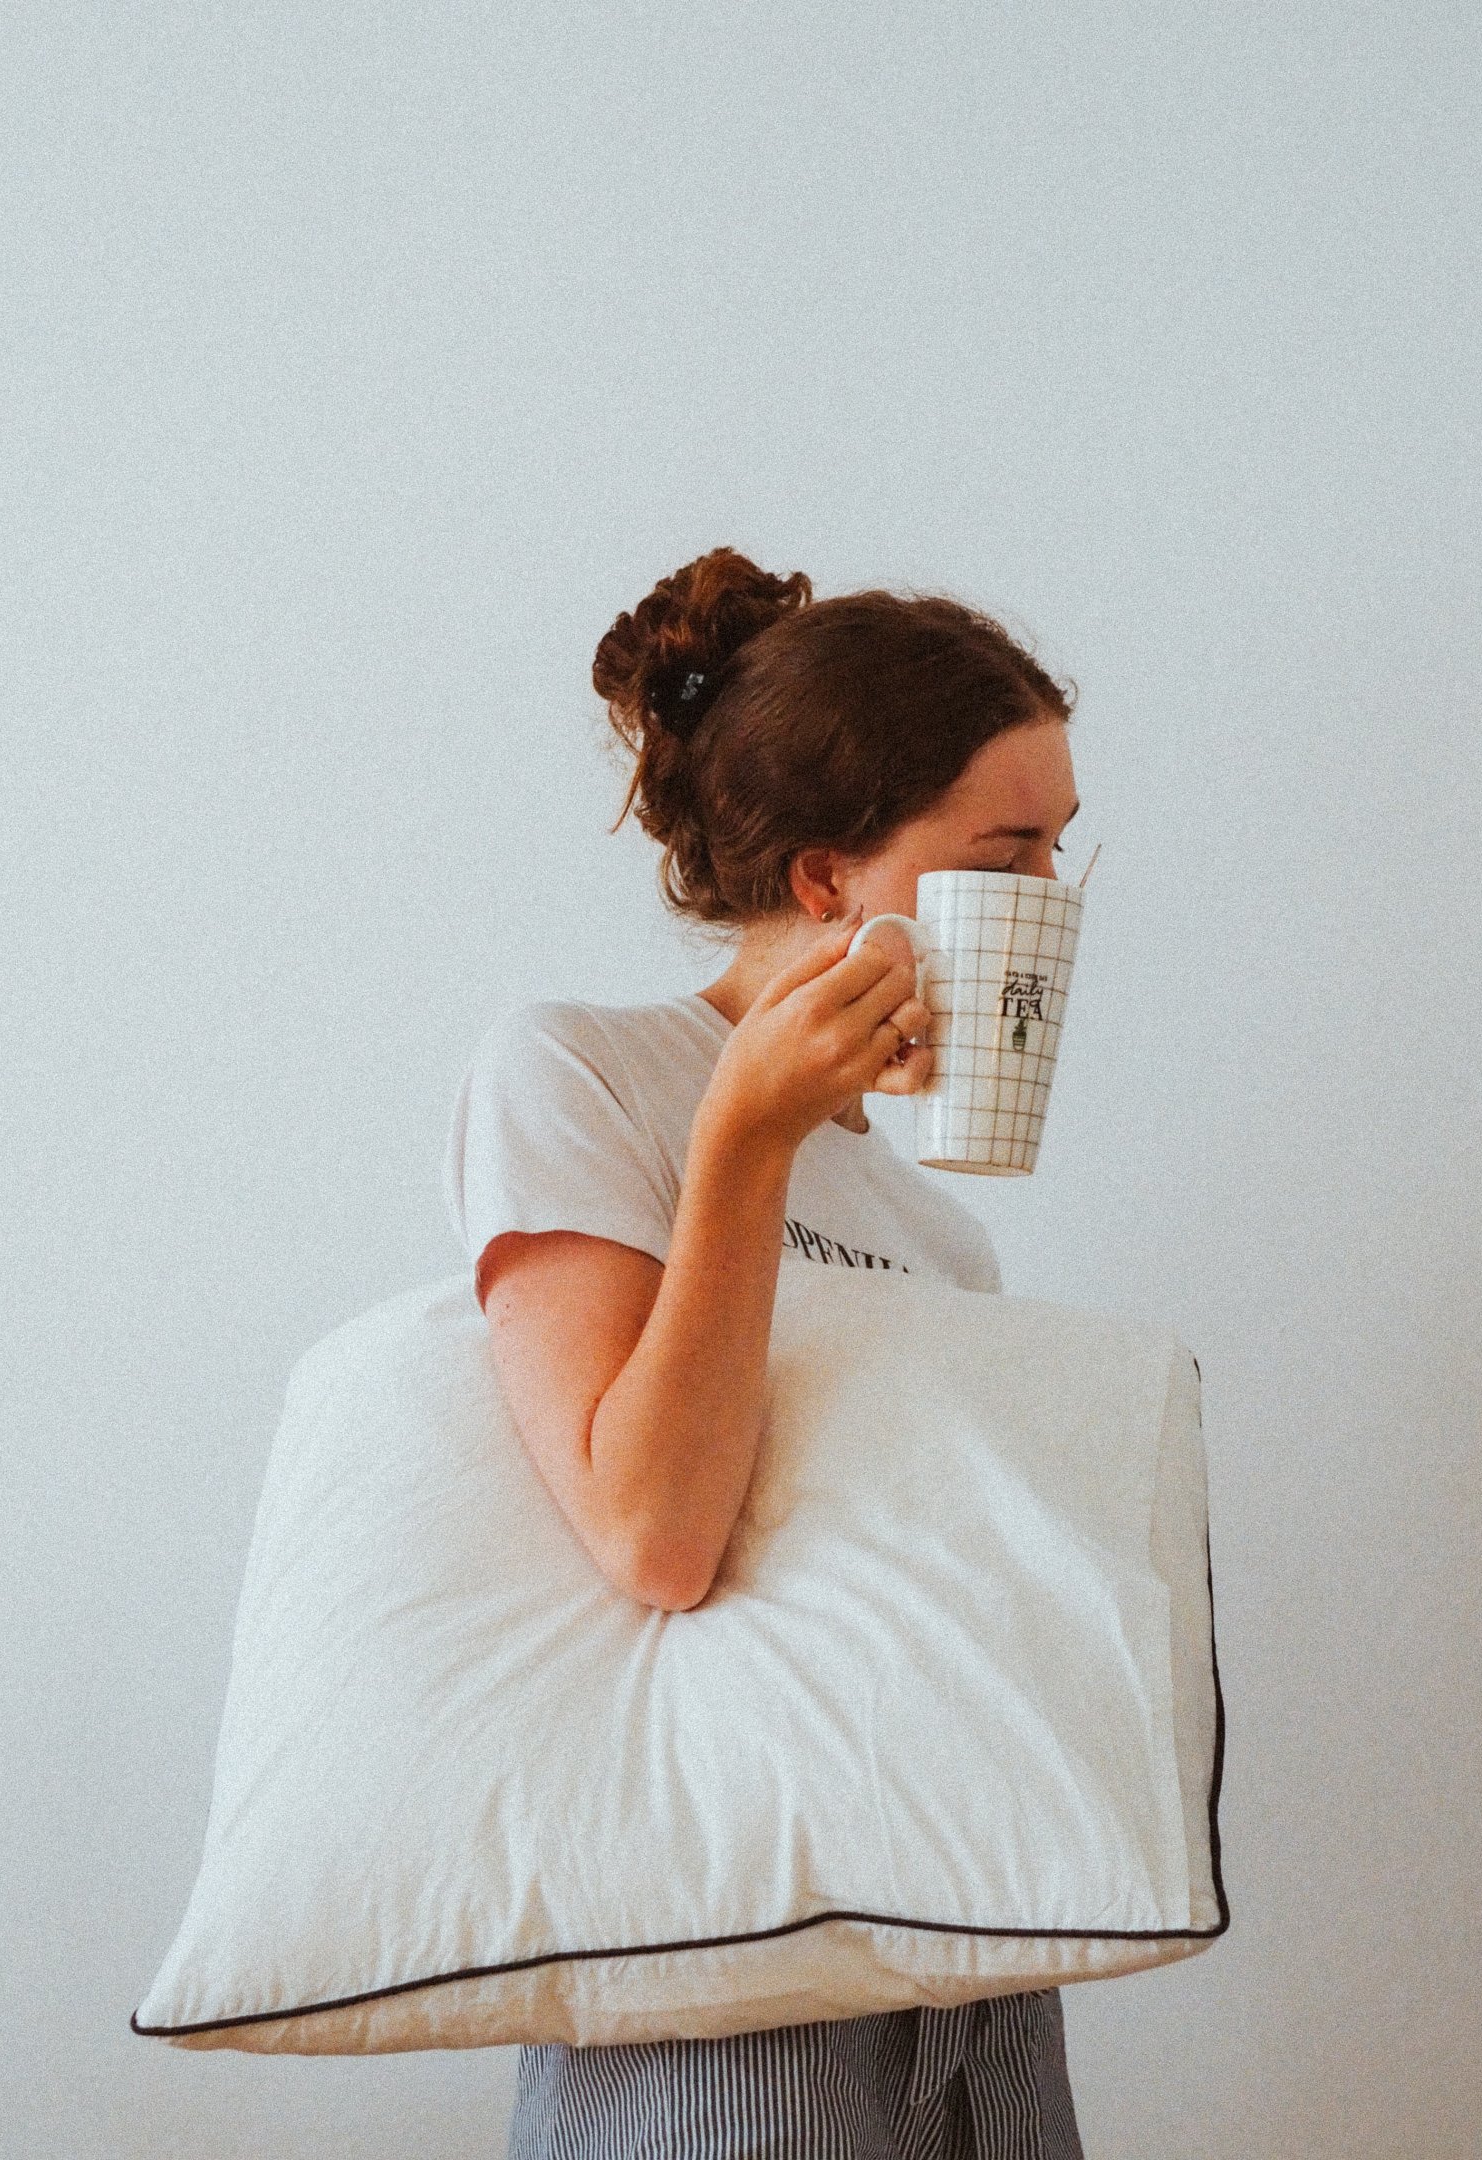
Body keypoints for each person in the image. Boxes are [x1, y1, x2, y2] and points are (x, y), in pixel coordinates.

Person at [441, 547, 1087, 2159]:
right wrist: (746, 1135)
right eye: (1008, 851)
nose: (1052, 899)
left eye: (1063, 847)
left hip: (969, 1969)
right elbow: (652, 1535)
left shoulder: (941, 1230)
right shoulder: (580, 1075)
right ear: (824, 879)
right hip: (714, 1981)